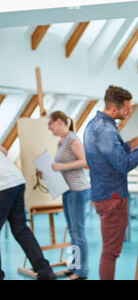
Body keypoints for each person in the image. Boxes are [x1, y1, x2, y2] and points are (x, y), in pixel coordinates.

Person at [83, 86, 138, 280]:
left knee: (109, 251)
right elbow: (123, 164)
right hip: (112, 198)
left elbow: (119, 150)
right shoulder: (105, 130)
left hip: (104, 195)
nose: (130, 111)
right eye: (127, 109)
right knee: (110, 253)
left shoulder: (95, 125)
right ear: (114, 109)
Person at [0, 146, 56, 280]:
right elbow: (4, 151)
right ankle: (45, 271)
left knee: (20, 229)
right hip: (17, 181)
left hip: (3, 185)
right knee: (21, 229)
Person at [47, 111, 90, 280]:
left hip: (77, 191)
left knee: (78, 232)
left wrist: (60, 167)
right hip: (67, 190)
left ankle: (82, 271)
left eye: (50, 123)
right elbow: (61, 165)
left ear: (58, 121)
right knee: (73, 232)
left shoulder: (72, 139)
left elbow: (85, 161)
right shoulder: (61, 142)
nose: (49, 128)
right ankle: (74, 266)